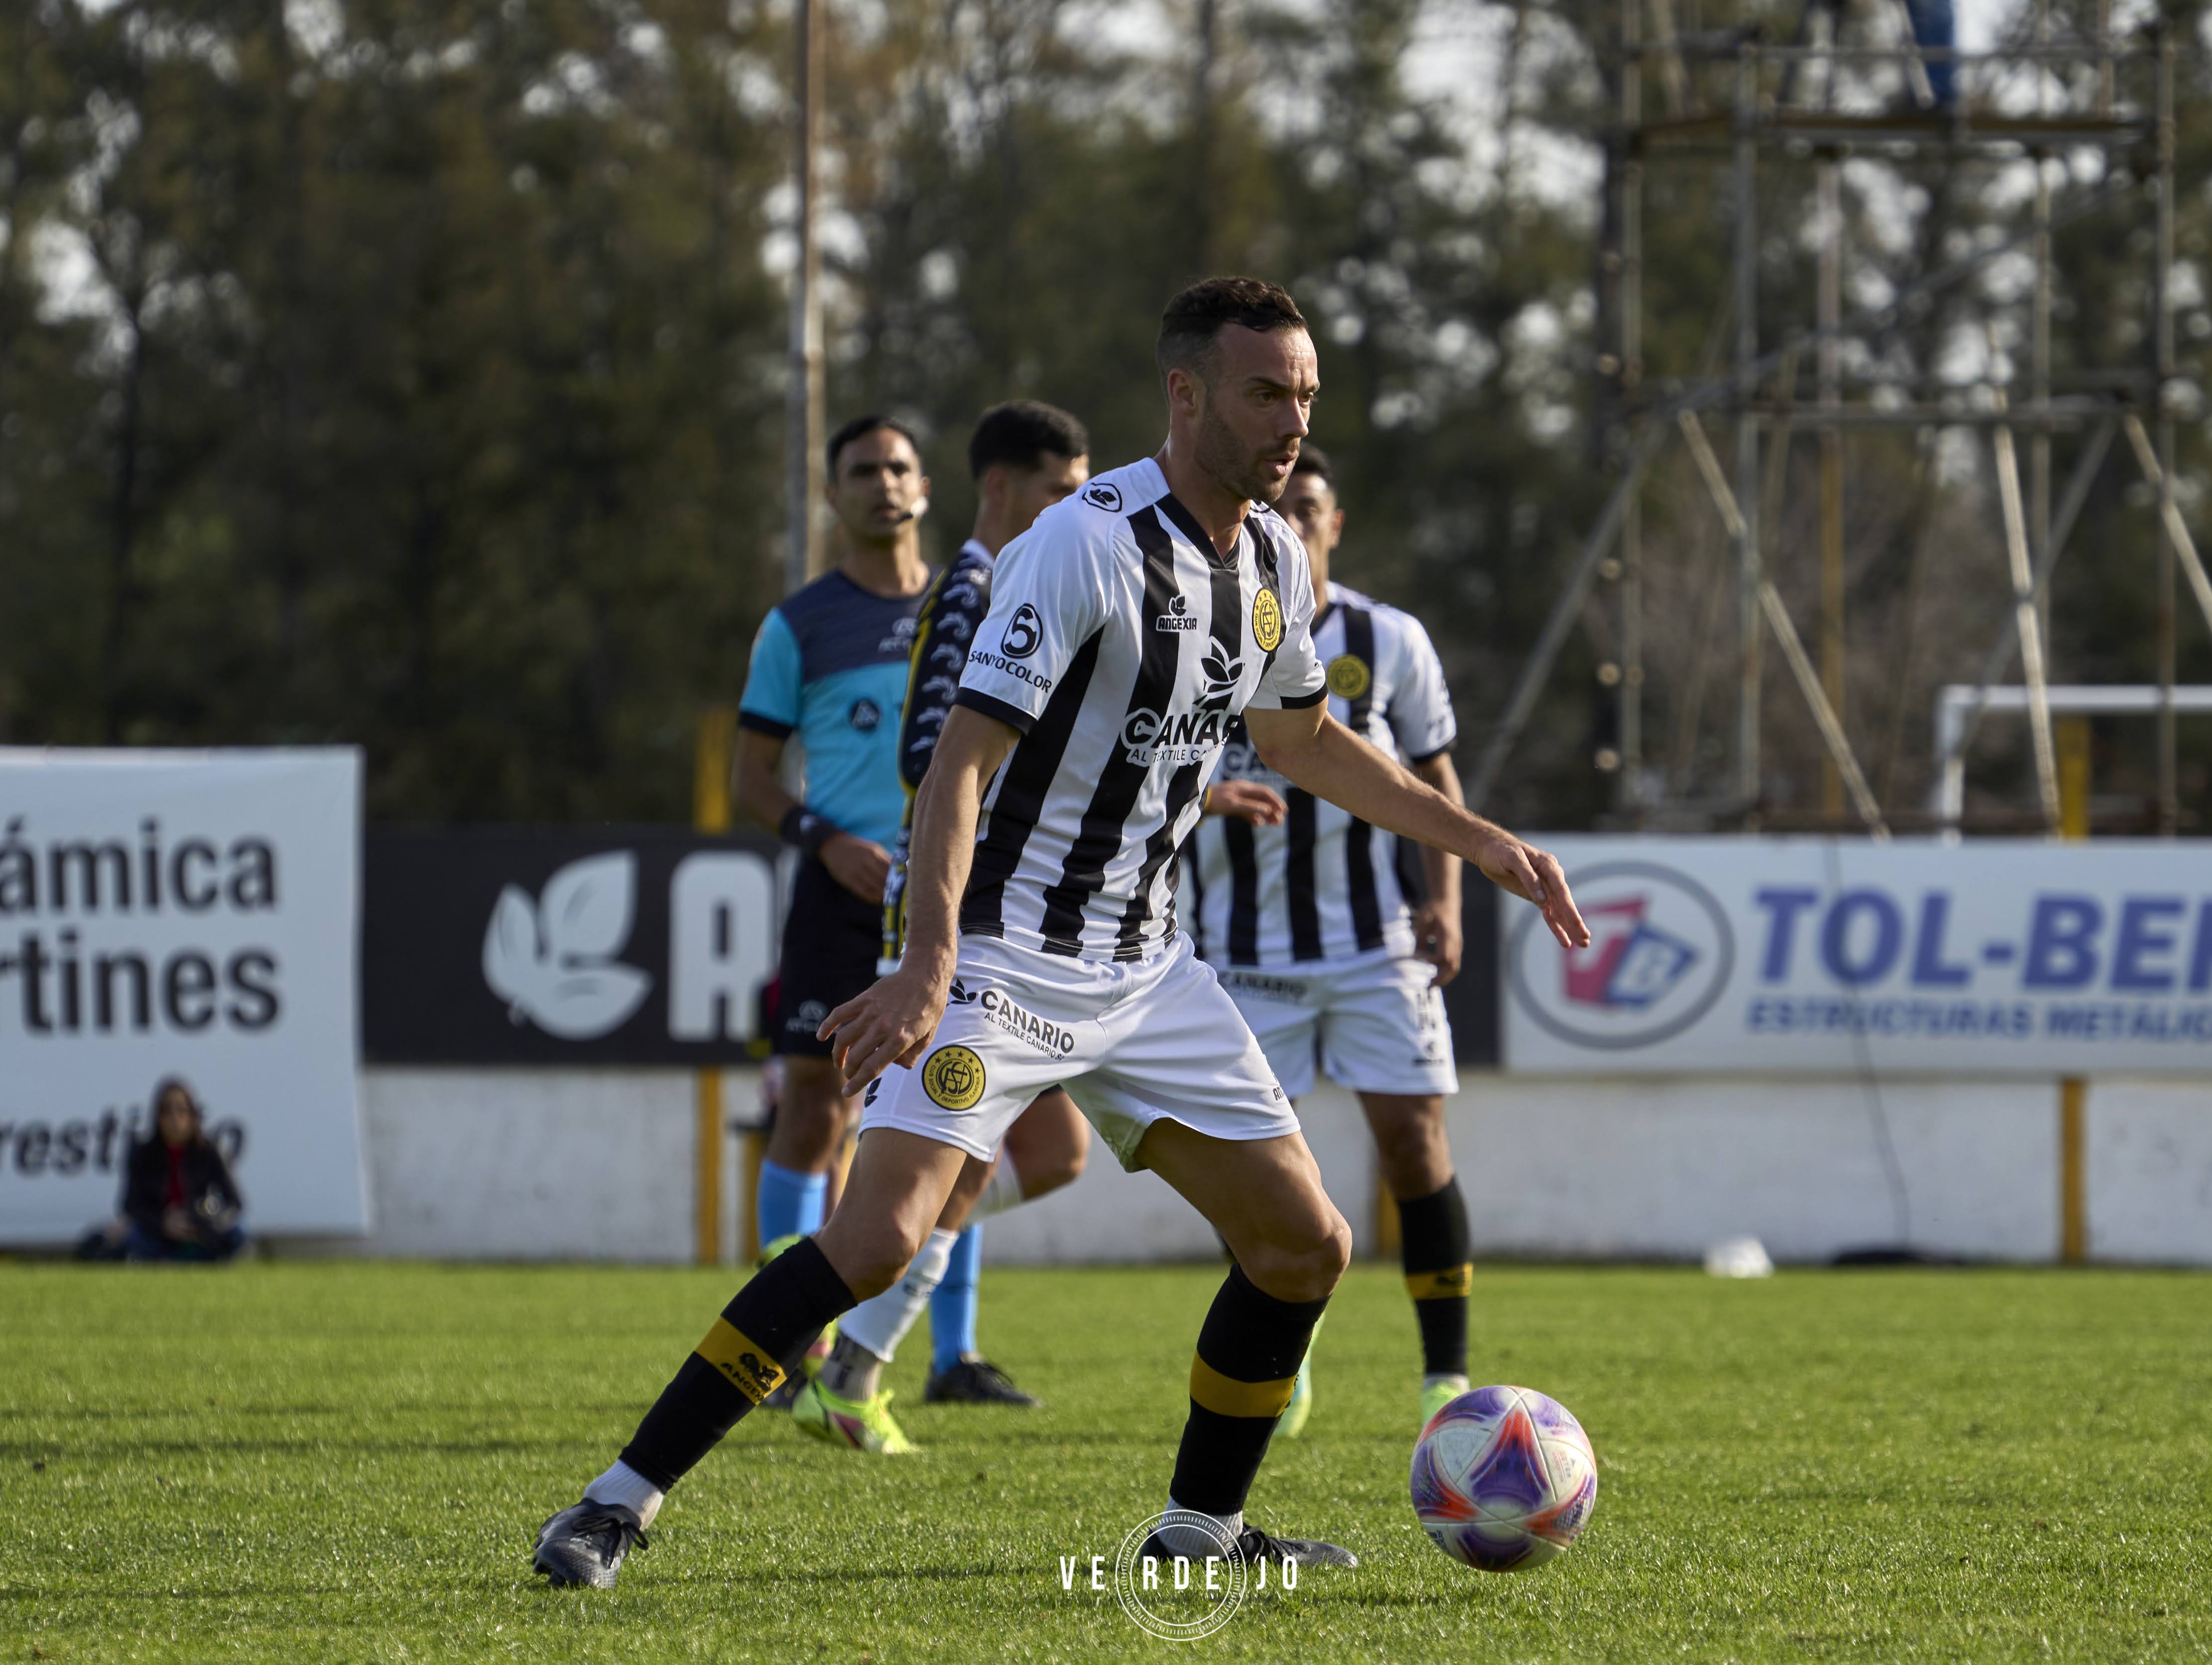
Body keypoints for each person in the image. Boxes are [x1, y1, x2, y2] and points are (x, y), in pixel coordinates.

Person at [532, 276, 1589, 1590]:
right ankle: (614, 1502)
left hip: (1144, 965)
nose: (1291, 425)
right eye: (1266, 393)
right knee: (874, 1242)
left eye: (1306, 397)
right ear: (1185, 393)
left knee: (1304, 1245)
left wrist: (1475, 838)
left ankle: (1193, 1532)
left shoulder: (1269, 558)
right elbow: (960, 768)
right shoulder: (1082, 544)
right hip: (997, 958)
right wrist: (925, 964)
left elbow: (1303, 739)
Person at [795, 400, 1098, 1453]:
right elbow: (935, 765)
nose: (1079, 512)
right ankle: (833, 1361)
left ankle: (853, 1362)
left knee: (1049, 1152)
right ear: (1004, 490)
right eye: (1062, 492)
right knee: (930, 1178)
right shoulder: (977, 594)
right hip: (963, 922)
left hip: (1021, 920)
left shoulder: (1020, 583)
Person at [1187, 442, 1473, 1439]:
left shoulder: (1387, 639)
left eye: (1314, 508)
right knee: (1266, 1171)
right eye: (1287, 505)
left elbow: (1435, 778)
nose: (1298, 521)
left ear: (1334, 525)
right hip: (1239, 949)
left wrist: (1447, 899)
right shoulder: (1201, 624)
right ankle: (1285, 1345)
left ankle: (1445, 1373)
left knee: (1413, 1140)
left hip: (1371, 942)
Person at [728, 414, 934, 1400]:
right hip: (838, 887)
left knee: (950, 1107)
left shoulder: (969, 612)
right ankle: (786, 1335)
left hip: (947, 890)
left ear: (925, 488)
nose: (882, 483)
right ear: (832, 495)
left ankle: (954, 1351)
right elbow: (751, 778)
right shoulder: (797, 623)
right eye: (862, 471)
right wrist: (825, 839)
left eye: (898, 467)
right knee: (814, 1100)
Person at [122, 1079, 245, 1262]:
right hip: (161, 1231)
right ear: (157, 1117)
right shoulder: (143, 1153)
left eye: (182, 1111)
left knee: (239, 1232)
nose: (175, 1119)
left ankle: (184, 1259)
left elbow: (235, 1203)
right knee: (134, 1236)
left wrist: (206, 1221)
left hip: (200, 1230)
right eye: (167, 1112)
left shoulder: (210, 1151)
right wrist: (164, 1222)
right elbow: (131, 1205)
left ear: (193, 1115)